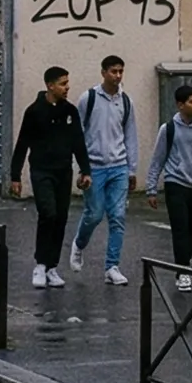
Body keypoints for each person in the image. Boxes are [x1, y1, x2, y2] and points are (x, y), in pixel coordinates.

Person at [8, 66, 88, 287]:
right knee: (48, 213)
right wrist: (15, 175)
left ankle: (52, 266)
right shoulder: (34, 112)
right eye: (62, 84)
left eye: (67, 83)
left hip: (63, 170)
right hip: (41, 170)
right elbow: (22, 143)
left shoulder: (70, 111)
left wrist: (85, 170)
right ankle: (40, 265)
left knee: (61, 217)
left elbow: (78, 142)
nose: (67, 87)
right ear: (50, 85)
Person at [71, 55, 140, 285]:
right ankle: (79, 244)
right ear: (103, 72)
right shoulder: (88, 98)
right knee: (94, 213)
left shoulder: (125, 101)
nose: (118, 76)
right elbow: (78, 134)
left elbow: (130, 135)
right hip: (95, 166)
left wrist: (132, 169)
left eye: (121, 71)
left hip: (118, 166)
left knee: (118, 216)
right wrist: (82, 168)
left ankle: (112, 266)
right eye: (113, 71)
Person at [144, 84, 192, 291]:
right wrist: (151, 188)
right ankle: (183, 270)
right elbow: (157, 159)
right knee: (180, 229)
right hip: (175, 183)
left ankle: (185, 264)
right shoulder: (168, 129)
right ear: (180, 105)